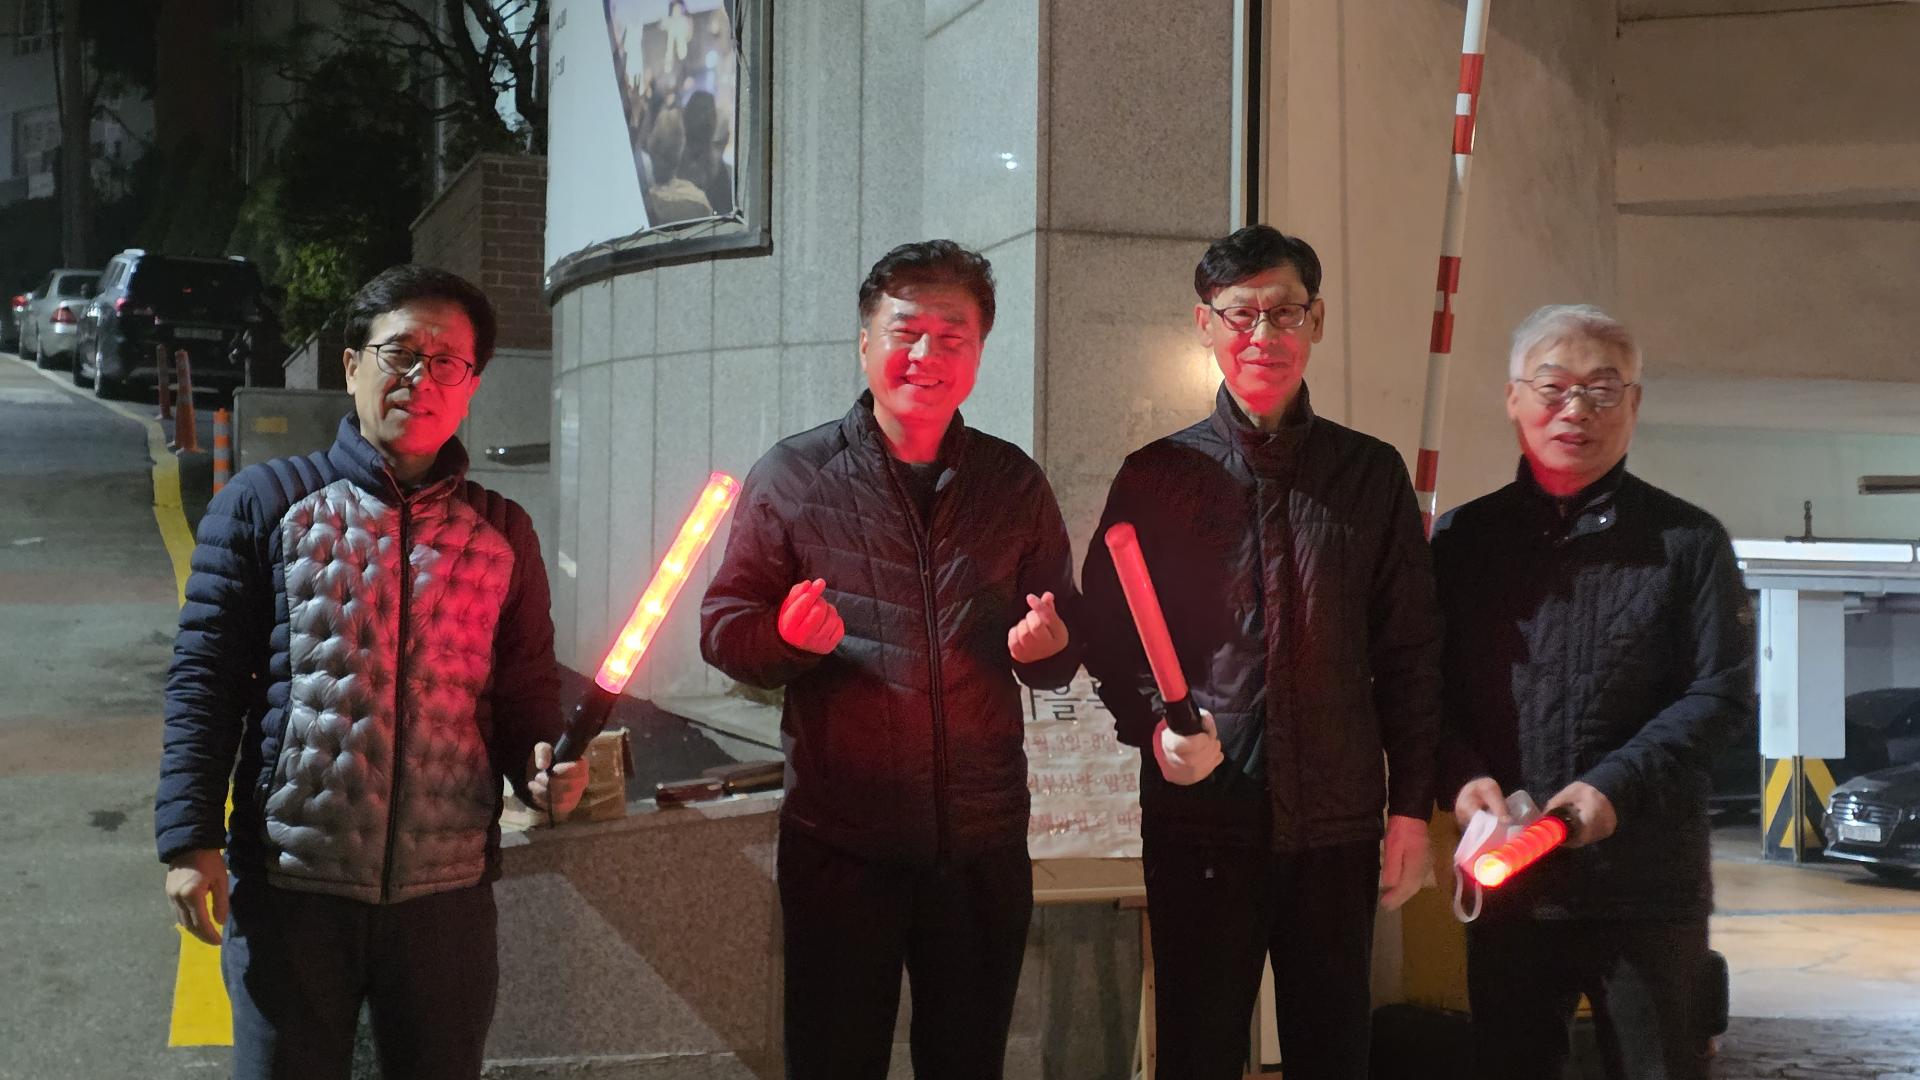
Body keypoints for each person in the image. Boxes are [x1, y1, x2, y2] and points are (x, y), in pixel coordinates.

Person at [156, 265, 588, 1080]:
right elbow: (204, 682)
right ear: (353, 365)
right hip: (291, 888)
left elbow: (528, 691)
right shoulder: (265, 502)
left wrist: (542, 769)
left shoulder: (504, 531)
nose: (421, 378)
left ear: (471, 386)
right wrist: (189, 838)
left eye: (447, 361)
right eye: (400, 353)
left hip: (448, 897)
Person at [700, 240, 1080, 1080]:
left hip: (981, 843)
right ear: (865, 342)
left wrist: (1051, 648)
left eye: (954, 336)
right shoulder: (795, 475)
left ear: (979, 352)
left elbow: (1061, 635)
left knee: (969, 1063)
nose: (927, 355)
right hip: (842, 845)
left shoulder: (1012, 482)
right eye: (906, 332)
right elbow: (725, 628)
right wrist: (786, 640)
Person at [1081, 224, 1442, 1080]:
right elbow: (1108, 632)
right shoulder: (1158, 476)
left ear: (1316, 321)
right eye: (1240, 314)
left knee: (1333, 1050)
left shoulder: (1370, 475)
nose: (1262, 335)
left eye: (1283, 312)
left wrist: (1410, 810)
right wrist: (1153, 728)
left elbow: (1412, 653)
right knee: (1198, 1051)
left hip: (1337, 827)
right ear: (1204, 325)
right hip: (1203, 824)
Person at [1432, 304, 1754, 1080]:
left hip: (1647, 889)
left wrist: (1615, 787)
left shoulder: (1688, 543)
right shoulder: (1462, 542)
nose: (1575, 409)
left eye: (1602, 390)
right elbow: (1424, 689)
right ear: (1514, 398)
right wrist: (1460, 775)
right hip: (1511, 883)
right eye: (1553, 386)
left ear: (1633, 405)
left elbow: (1720, 695)